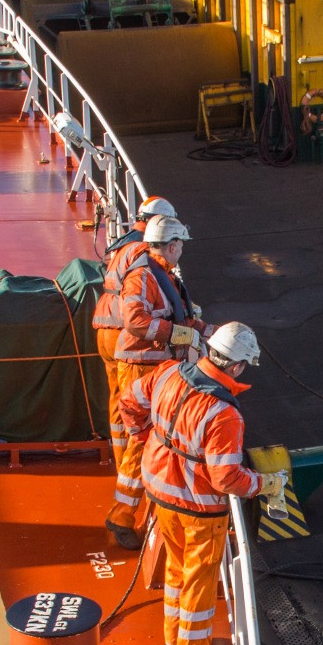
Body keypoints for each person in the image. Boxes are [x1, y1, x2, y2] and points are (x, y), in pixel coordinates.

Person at [119, 322, 285, 645]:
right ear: (237, 366)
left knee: (177, 569)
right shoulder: (225, 414)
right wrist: (264, 484)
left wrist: (143, 436)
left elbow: (128, 401)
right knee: (199, 578)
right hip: (198, 508)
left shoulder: (167, 373)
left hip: (159, 492)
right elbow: (226, 478)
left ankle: (172, 640)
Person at [104, 214, 212, 550]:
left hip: (156, 366)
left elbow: (177, 316)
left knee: (148, 438)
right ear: (173, 244)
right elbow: (136, 321)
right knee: (142, 440)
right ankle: (122, 517)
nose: (182, 250)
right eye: (180, 244)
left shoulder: (161, 274)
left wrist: (209, 332)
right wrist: (176, 332)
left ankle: (137, 506)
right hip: (141, 366)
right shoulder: (142, 276)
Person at [93, 195, 177, 468]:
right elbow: (142, 295)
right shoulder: (146, 251)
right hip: (124, 333)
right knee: (137, 406)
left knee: (118, 403)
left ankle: (120, 464)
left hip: (104, 329)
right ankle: (135, 468)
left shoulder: (122, 245)